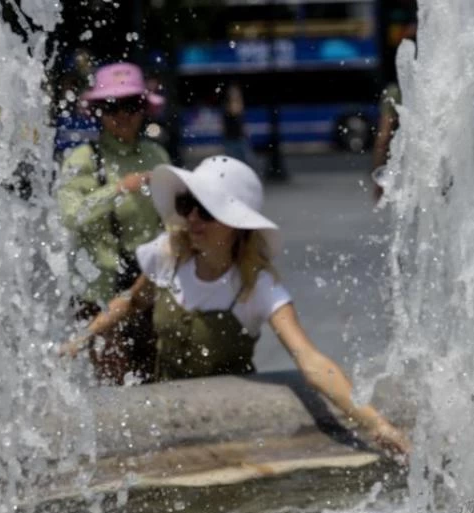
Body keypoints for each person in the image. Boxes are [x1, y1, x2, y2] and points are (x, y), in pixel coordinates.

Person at [61, 156, 411, 457]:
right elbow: (131, 301)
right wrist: (80, 339)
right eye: (186, 205)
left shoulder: (257, 287)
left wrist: (376, 423)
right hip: (164, 420)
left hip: (228, 430)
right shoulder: (168, 256)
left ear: (237, 224)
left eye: (207, 210)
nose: (193, 219)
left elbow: (310, 360)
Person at [57, 62, 171, 385]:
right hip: (99, 295)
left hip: (148, 289)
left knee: (156, 379)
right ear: (98, 112)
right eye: (111, 106)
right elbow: (70, 215)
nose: (122, 115)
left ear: (143, 109)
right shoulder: (82, 158)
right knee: (115, 385)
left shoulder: (157, 155)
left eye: (131, 105)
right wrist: (119, 189)